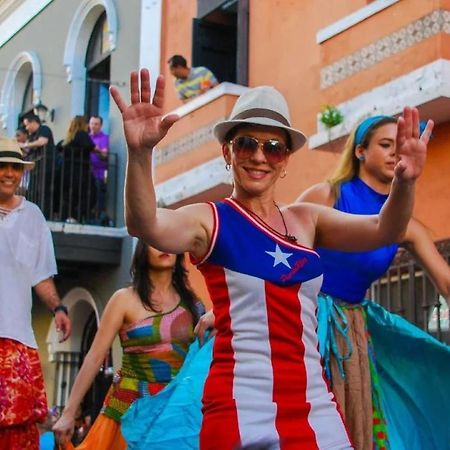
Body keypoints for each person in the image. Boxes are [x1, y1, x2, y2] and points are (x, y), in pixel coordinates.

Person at [109, 69, 432, 449]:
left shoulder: (306, 219)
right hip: (240, 407)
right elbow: (144, 223)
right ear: (227, 152)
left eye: (273, 147)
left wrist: (405, 183)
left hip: (313, 404)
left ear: (286, 160)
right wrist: (140, 153)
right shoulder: (210, 219)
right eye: (246, 143)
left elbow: (384, 229)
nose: (260, 156)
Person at [297, 115, 450, 450]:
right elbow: (271, 250)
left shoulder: (404, 223)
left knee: (353, 423)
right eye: (385, 145)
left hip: (351, 329)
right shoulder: (326, 194)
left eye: (400, 146)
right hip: (302, 322)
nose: (395, 153)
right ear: (361, 151)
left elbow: (446, 281)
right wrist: (230, 309)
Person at [53, 239, 202, 449]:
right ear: (142, 250)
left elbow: (206, 359)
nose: (164, 247)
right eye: (154, 242)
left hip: (176, 410)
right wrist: (69, 413)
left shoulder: (194, 305)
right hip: (131, 406)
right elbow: (95, 356)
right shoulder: (123, 299)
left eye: (168, 242)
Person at [0, 137, 71, 450]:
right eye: (3, 166)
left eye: (16, 167)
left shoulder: (33, 216)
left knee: (20, 427)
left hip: (16, 337)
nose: (9, 173)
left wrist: (59, 309)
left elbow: (40, 274)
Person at [59, 116, 96, 223]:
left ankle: (68, 217)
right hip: (79, 172)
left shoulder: (68, 138)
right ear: (82, 124)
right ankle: (77, 217)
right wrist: (102, 152)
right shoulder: (81, 135)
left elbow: (59, 148)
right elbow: (92, 147)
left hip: (66, 172)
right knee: (89, 193)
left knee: (70, 195)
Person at [20, 114, 58, 217]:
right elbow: (28, 149)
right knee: (33, 190)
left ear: (33, 122)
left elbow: (43, 141)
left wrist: (25, 145)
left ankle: (44, 213)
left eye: (27, 125)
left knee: (44, 190)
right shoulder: (32, 136)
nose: (26, 128)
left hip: (46, 165)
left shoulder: (44, 129)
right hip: (36, 167)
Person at [88, 115, 110, 224]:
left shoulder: (104, 138)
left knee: (98, 196)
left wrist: (96, 149)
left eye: (96, 124)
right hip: (87, 173)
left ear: (100, 125)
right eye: (92, 123)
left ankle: (97, 218)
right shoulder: (87, 137)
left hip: (100, 174)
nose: (93, 126)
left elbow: (105, 155)